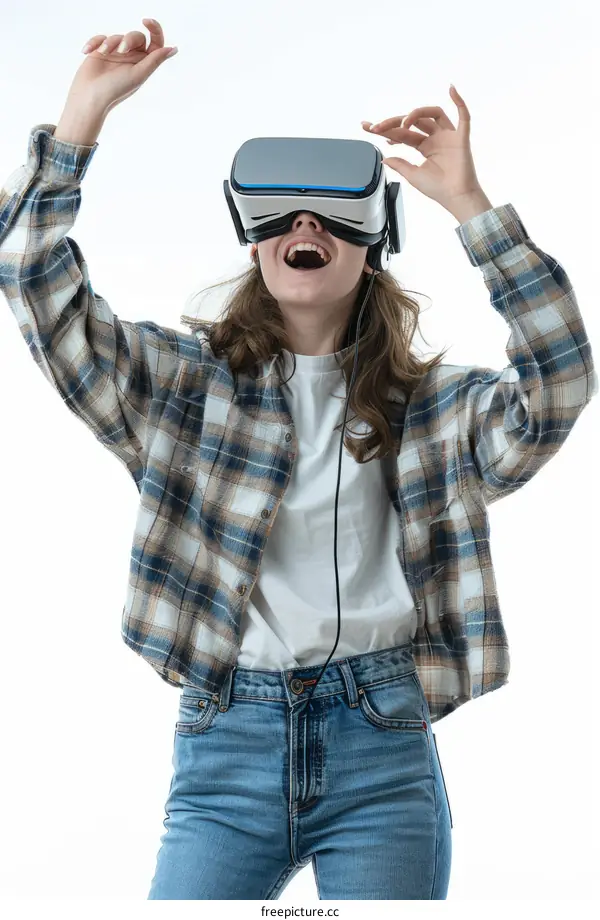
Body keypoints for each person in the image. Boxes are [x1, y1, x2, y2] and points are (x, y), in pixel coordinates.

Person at [1, 19, 596, 902]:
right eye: (278, 215)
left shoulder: (437, 410)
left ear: (371, 244)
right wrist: (80, 121)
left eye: (330, 216)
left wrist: (472, 207)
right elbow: (33, 279)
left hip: (383, 742)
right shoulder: (178, 389)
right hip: (226, 745)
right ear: (253, 241)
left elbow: (560, 378)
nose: (303, 227)